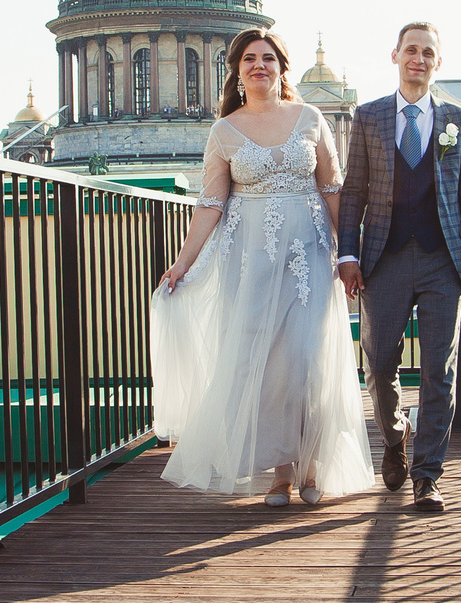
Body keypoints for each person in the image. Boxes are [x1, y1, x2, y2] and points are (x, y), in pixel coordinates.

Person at [150, 29, 374, 506]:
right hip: (248, 263)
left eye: (268, 58)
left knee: (305, 360)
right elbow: (210, 204)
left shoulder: (311, 119)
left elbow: (333, 191)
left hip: (308, 258)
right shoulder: (224, 132)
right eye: (249, 59)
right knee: (267, 365)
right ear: (236, 70)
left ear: (282, 67)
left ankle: (312, 463)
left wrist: (351, 255)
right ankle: (281, 471)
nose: (259, 66)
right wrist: (181, 263)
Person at [335, 22, 461, 513]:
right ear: (395, 56)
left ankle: (428, 475)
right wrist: (347, 256)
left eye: (428, 52)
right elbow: (354, 191)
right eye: (411, 50)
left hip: (442, 259)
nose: (418, 59)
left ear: (437, 62)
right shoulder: (368, 117)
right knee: (379, 362)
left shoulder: (458, 122)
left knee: (438, 370)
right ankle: (395, 434)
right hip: (382, 257)